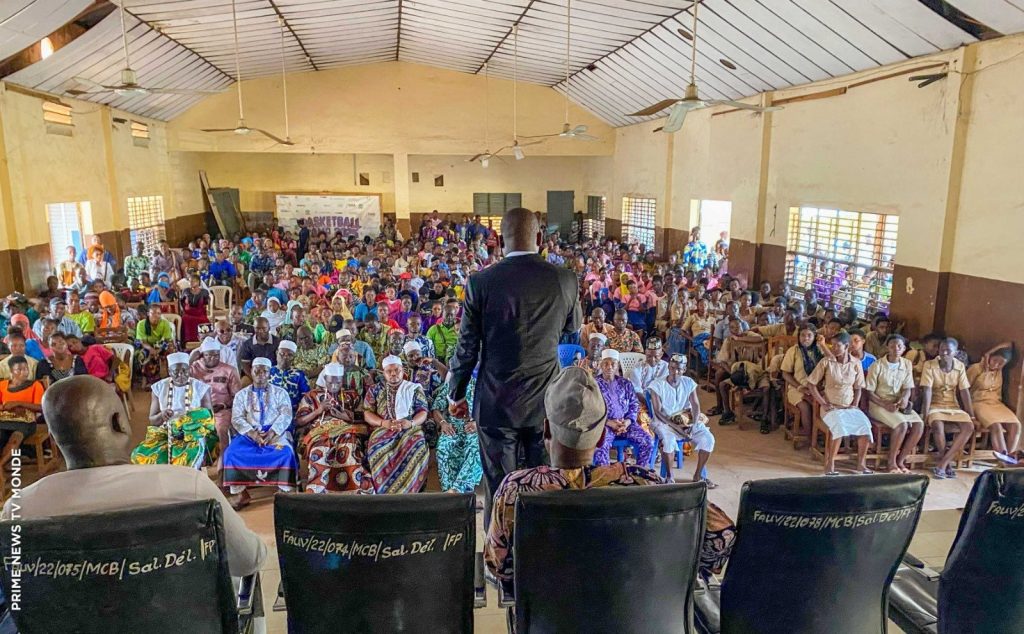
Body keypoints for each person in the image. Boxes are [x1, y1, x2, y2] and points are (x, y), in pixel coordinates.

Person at [1, 376, 265, 576]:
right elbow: (249, 560)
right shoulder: (187, 486)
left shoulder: (19, 509)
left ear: (53, 434)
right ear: (120, 423)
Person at [447, 208, 582, 527]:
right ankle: (538, 547)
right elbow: (571, 328)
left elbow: (466, 347)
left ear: (498, 239)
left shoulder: (480, 282)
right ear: (540, 237)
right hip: (545, 405)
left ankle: (498, 550)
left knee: (499, 488)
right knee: (542, 484)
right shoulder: (565, 279)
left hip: (496, 404)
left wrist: (456, 394)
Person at [484, 367, 663, 584]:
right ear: (601, 437)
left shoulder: (515, 488)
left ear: (546, 430)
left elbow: (499, 567)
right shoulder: (643, 481)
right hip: (628, 603)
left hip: (546, 604)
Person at [222, 357, 297, 509]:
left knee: (285, 454)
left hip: (275, 433)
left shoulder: (280, 393)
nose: (261, 374)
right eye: (257, 371)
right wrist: (252, 434)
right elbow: (237, 418)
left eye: (265, 371)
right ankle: (241, 494)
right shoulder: (242, 395)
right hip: (249, 434)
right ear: (251, 372)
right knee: (231, 454)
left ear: (270, 373)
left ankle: (284, 492)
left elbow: (286, 415)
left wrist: (272, 432)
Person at [294, 362, 373, 493]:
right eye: (330, 383)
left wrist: (347, 416)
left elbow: (364, 416)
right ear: (325, 379)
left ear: (342, 380)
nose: (334, 386)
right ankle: (318, 491)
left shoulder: (351, 395)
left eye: (338, 382)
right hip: (320, 433)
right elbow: (299, 421)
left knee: (351, 447)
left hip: (347, 431)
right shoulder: (312, 396)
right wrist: (318, 411)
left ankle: (353, 490)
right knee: (320, 450)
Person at [131, 352, 218, 470]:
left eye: (185, 371)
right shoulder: (159, 387)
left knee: (185, 460)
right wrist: (162, 415)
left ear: (189, 369)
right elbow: (152, 420)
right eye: (176, 372)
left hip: (192, 435)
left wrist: (186, 423)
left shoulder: (201, 388)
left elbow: (209, 418)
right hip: (166, 433)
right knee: (141, 455)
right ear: (169, 371)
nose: (181, 375)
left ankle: (184, 481)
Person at [806, 332, 874, 476]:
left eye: (838, 346)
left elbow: (858, 387)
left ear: (846, 346)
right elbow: (811, 384)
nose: (834, 348)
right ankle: (830, 463)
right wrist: (823, 403)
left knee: (865, 427)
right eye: (833, 345)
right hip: (831, 407)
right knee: (839, 427)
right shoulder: (826, 362)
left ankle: (861, 464)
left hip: (849, 407)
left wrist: (855, 404)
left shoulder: (856, 363)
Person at [363, 355, 430, 494]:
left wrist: (410, 423)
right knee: (377, 451)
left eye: (397, 370)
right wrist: (383, 423)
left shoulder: (413, 388)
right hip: (383, 429)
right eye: (389, 371)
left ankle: (409, 495)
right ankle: (385, 496)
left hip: (410, 429)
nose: (393, 373)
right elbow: (367, 413)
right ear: (383, 373)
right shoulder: (375, 389)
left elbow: (423, 412)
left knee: (416, 447)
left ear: (403, 370)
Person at [648, 354, 716, 486]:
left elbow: (695, 405)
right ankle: (669, 477)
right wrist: (678, 428)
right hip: (665, 422)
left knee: (708, 439)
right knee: (668, 442)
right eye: (672, 368)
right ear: (668, 367)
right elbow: (658, 412)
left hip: (686, 421)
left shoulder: (688, 382)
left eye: (679, 369)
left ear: (684, 370)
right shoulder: (657, 385)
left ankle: (698, 476)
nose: (675, 372)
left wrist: (693, 425)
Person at [865, 334, 924, 473]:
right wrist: (884, 404)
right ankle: (891, 463)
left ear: (904, 349)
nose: (896, 349)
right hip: (878, 404)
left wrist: (905, 398)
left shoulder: (907, 364)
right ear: (887, 347)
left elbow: (907, 387)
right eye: (892, 346)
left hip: (898, 405)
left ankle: (900, 461)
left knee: (919, 425)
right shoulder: (877, 365)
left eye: (899, 346)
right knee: (902, 425)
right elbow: (869, 392)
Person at [921, 338, 977, 479]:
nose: (944, 353)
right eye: (942, 350)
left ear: (955, 352)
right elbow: (927, 391)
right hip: (935, 404)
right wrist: (925, 414)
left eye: (948, 351)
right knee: (937, 425)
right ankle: (947, 465)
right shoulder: (929, 365)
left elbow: (964, 392)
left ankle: (943, 463)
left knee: (969, 427)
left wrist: (971, 414)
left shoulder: (960, 366)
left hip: (953, 405)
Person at [189, 338, 242, 479]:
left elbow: (238, 397)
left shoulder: (229, 370)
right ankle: (196, 472)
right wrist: (191, 359)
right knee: (193, 435)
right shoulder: (194, 368)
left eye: (216, 355)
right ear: (202, 355)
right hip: (198, 411)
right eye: (208, 355)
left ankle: (222, 473)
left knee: (222, 432)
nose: (212, 358)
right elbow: (178, 381)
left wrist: (224, 406)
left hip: (221, 410)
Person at [593, 349, 654, 467]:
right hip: (605, 425)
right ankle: (606, 475)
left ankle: (639, 472)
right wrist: (609, 423)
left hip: (626, 424)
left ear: (618, 366)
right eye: (606, 363)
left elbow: (634, 404)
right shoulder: (594, 384)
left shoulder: (625, 383)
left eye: (613, 364)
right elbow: (591, 410)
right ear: (601, 365)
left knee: (647, 441)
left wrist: (627, 421)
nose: (609, 367)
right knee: (600, 446)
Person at [966, 342, 1021, 457]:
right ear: (990, 357)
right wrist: (987, 353)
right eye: (995, 360)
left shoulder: (999, 371)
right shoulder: (976, 368)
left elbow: (1009, 344)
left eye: (1001, 363)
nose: (996, 364)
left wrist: (993, 357)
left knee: (1016, 426)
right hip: (979, 403)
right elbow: (964, 390)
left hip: (996, 404)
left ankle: (1009, 458)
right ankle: (1003, 458)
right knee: (996, 426)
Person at [780, 325, 826, 442]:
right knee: (805, 407)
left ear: (815, 337)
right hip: (797, 388)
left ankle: (822, 434)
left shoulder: (820, 350)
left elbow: (831, 364)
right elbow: (785, 374)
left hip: (817, 388)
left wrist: (823, 345)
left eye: (809, 335)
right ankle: (811, 438)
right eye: (803, 335)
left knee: (824, 404)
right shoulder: (794, 351)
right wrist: (801, 387)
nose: (806, 338)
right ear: (798, 336)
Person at [134, 304, 175, 385]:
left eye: (158, 313)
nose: (156, 315)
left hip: (161, 345)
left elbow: (167, 340)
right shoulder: (141, 324)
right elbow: (142, 342)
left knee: (171, 350)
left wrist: (158, 350)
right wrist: (151, 349)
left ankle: (170, 377)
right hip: (146, 346)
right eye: (153, 313)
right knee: (142, 355)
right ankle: (149, 380)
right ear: (148, 314)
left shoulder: (165, 323)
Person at [269, 340, 310, 410]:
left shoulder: (299, 375)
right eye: (282, 354)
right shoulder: (268, 372)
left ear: (294, 357)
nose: (285, 357)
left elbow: (306, 396)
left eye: (290, 355)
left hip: (292, 411)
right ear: (276, 353)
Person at [0, 356, 44, 422]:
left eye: (26, 369)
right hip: (4, 419)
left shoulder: (35, 385)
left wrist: (18, 403)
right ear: (11, 371)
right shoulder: (2, 385)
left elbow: (41, 407)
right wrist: (4, 408)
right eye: (19, 370)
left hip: (27, 421)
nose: (24, 372)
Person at [180, 275, 210, 343]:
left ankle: (203, 340)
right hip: (188, 313)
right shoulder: (185, 291)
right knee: (184, 318)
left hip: (200, 313)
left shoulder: (204, 292)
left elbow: (206, 303)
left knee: (204, 320)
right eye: (190, 281)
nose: (191, 283)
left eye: (193, 281)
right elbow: (182, 302)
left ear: (198, 282)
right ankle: (187, 341)